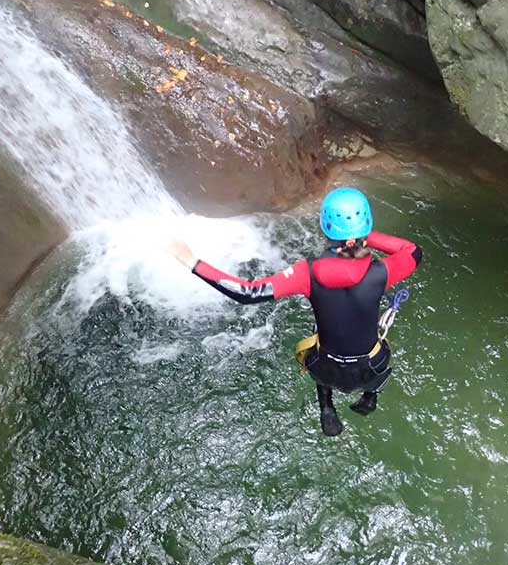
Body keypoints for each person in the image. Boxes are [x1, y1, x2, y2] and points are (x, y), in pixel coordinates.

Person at [168, 187, 423, 436]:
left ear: (325, 227)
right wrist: (362, 238)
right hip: (371, 365)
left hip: (327, 366)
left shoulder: (307, 274)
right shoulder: (382, 272)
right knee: (377, 359)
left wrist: (192, 261)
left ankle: (327, 409)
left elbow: (247, 292)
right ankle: (369, 399)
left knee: (318, 354)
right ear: (365, 226)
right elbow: (413, 251)